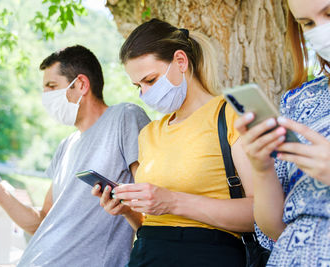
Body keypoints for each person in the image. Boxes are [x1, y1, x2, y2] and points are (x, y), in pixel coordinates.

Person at [0, 45, 150, 267]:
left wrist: (127, 210)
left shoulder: (125, 117)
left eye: (52, 87)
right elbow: (42, 222)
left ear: (80, 84)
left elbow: (152, 203)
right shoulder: (66, 146)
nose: (46, 96)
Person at [93, 19, 255, 266]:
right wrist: (128, 210)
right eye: (138, 86)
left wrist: (174, 201)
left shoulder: (231, 115)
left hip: (207, 256)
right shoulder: (149, 134)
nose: (145, 94)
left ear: (181, 61)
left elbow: (261, 214)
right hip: (147, 253)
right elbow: (153, 223)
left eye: (151, 80)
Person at [234, 0, 330, 265]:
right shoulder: (298, 100)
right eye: (307, 23)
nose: (320, 30)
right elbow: (273, 229)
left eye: (329, 13)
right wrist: (262, 168)